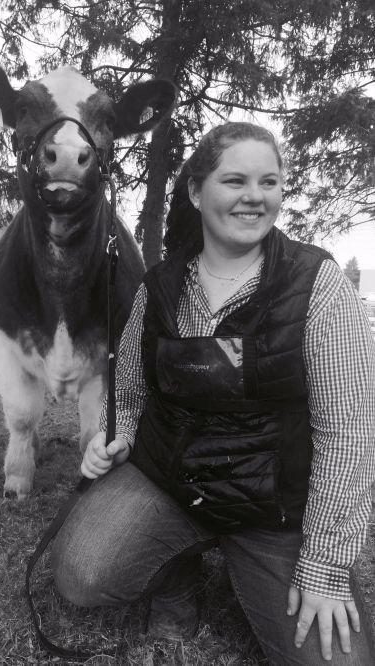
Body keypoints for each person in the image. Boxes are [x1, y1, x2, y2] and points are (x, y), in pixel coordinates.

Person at [51, 122, 375, 664]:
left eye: (269, 182)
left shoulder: (317, 284)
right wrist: (116, 436)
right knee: (82, 575)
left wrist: (322, 564)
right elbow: (128, 391)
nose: (255, 196)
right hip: (171, 483)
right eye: (236, 180)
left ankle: (253, 561)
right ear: (197, 192)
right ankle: (177, 572)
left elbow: (348, 434)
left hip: (272, 510)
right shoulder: (159, 286)